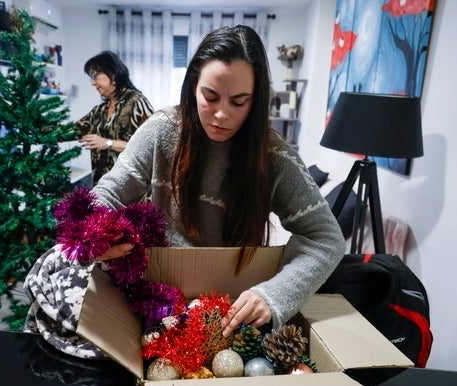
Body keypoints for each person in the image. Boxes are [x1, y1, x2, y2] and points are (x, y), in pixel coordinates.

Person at [91, 25, 345, 337]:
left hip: (233, 311)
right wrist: (94, 233)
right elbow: (110, 191)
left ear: (257, 100)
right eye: (210, 97)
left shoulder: (274, 156)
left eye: (239, 102)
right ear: (193, 87)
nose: (221, 115)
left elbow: (326, 239)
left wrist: (275, 294)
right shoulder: (161, 131)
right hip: (157, 299)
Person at [75, 50, 154, 185]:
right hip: (103, 190)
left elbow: (151, 147)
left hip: (132, 192)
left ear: (112, 74)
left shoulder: (137, 102)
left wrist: (108, 143)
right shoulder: (99, 111)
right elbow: (70, 131)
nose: (92, 83)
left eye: (95, 76)